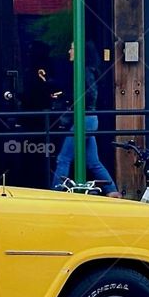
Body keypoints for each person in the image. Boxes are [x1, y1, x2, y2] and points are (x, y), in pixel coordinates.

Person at [50, 41, 120, 196]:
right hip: (90, 119)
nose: (69, 51)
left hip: (85, 119)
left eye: (72, 48)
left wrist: (68, 99)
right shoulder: (87, 70)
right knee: (93, 162)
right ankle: (112, 191)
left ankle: (55, 193)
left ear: (81, 52)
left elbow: (88, 95)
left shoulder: (84, 71)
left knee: (63, 158)